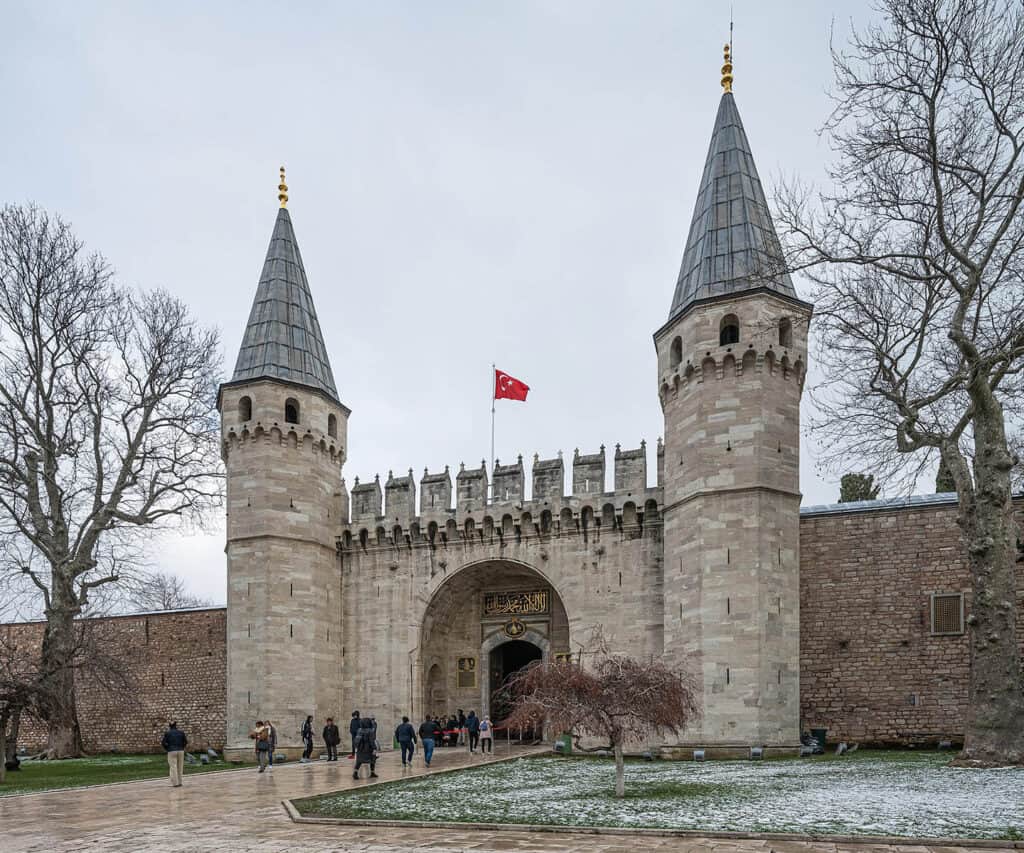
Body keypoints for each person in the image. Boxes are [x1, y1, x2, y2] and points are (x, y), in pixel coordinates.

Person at [161, 721, 188, 787]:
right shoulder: (181, 732)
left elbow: (163, 743)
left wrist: (167, 749)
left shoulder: (167, 733)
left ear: (170, 726)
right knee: (180, 767)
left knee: (173, 767)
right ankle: (180, 782)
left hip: (171, 751)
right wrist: (182, 747)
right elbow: (185, 742)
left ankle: (175, 783)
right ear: (176, 726)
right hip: (180, 750)